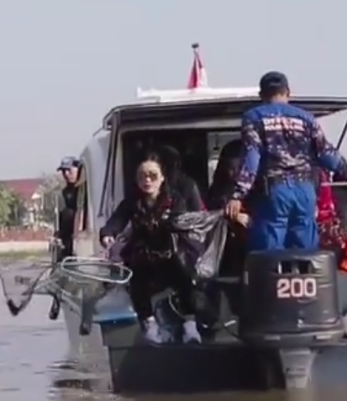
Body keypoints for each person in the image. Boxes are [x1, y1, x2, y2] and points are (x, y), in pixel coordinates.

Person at [225, 72, 347, 251]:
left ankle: (274, 279)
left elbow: (251, 158)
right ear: (288, 92)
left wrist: (237, 195)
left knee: (270, 253)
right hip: (305, 192)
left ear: (261, 95)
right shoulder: (306, 118)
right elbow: (325, 153)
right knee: (305, 251)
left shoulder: (253, 118)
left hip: (274, 193)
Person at [99, 156, 204, 345]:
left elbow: (182, 221)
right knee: (137, 283)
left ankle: (190, 326)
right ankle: (150, 325)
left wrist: (169, 223)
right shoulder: (132, 201)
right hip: (144, 256)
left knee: (185, 281)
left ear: (162, 178)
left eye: (152, 176)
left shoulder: (174, 199)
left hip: (170, 254)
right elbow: (117, 220)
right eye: (142, 176)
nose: (147, 181)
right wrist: (108, 234)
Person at [205, 138, 250, 276]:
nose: (234, 173)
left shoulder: (259, 188)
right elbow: (207, 213)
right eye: (230, 168)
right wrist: (225, 215)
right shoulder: (218, 189)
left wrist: (251, 219)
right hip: (225, 249)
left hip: (253, 245)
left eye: (239, 169)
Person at [56, 157, 82, 258]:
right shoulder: (66, 192)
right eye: (63, 171)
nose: (66, 174)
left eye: (69, 170)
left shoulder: (88, 186)